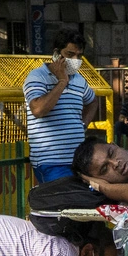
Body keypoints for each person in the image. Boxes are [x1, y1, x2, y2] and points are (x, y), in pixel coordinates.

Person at [23, 30, 97, 183]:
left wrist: (83, 124)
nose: (75, 60)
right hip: (51, 162)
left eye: (79, 56)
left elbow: (93, 101)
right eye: (70, 54)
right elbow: (38, 110)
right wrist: (62, 82)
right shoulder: (38, 76)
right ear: (57, 54)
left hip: (78, 160)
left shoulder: (79, 80)